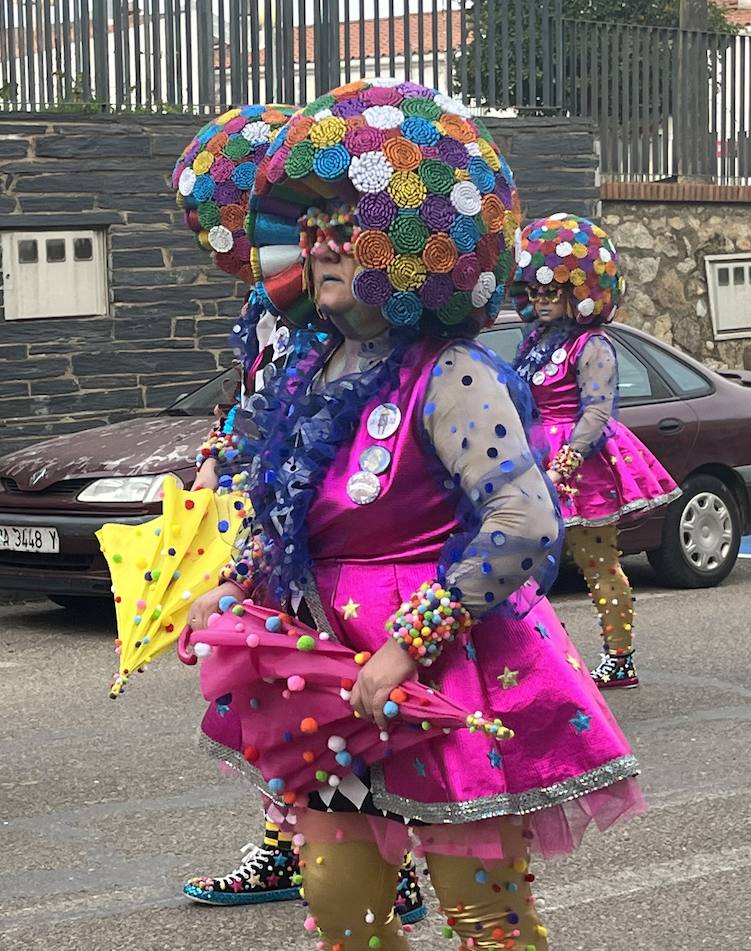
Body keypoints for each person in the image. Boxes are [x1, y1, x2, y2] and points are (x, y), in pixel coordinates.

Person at [187, 80, 645, 951]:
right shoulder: (309, 374)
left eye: (339, 230)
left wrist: (409, 642)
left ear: (403, 250)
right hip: (324, 686)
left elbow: (524, 520)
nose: (313, 249)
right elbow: (289, 509)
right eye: (308, 228)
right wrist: (235, 585)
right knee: (341, 906)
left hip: (442, 685)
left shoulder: (453, 375)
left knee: (487, 922)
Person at [168, 104, 425, 922]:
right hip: (281, 514)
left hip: (350, 532)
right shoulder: (267, 309)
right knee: (288, 699)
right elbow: (258, 397)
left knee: (335, 701)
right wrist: (222, 447)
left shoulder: (321, 317)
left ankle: (390, 861)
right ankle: (300, 844)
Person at [511, 214, 679, 689]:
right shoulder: (534, 344)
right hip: (532, 458)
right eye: (536, 292)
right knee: (518, 561)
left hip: (582, 469)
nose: (542, 301)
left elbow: (597, 411)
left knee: (597, 561)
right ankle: (545, 653)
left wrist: (567, 460)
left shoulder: (592, 344)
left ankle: (619, 655)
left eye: (553, 291)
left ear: (579, 291)